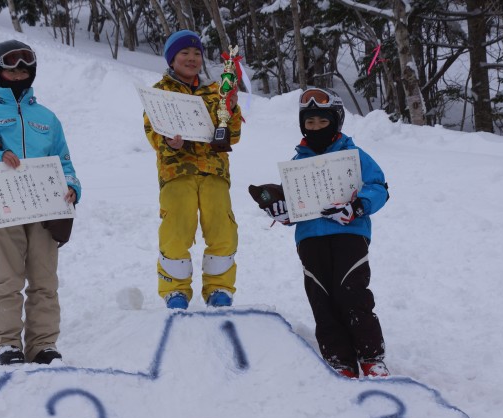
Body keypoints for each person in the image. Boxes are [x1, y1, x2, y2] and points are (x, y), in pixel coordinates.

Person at [0, 40, 81, 366]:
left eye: (24, 68)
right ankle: (6, 343)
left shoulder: (47, 118)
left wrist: (71, 188)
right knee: (8, 278)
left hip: (44, 208)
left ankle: (42, 345)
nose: (18, 73)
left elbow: (64, 162)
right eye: (11, 68)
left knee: (44, 280)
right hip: (1, 206)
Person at [249, 88, 390, 378]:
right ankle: (340, 359)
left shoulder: (353, 154)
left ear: (335, 121)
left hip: (349, 232)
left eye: (322, 122)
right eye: (309, 123)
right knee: (321, 297)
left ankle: (370, 356)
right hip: (310, 238)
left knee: (351, 291)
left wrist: (357, 208)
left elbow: (379, 187)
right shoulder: (298, 161)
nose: (315, 128)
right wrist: (283, 213)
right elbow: (293, 202)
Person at [143, 30, 243, 310]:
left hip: (214, 173)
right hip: (177, 173)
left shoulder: (217, 91)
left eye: (196, 53)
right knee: (176, 229)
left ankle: (219, 288)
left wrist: (232, 109)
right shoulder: (160, 92)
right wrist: (169, 143)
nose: (191, 58)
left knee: (222, 229)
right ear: (172, 58)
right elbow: (151, 131)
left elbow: (232, 135)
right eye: (184, 53)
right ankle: (175, 290)